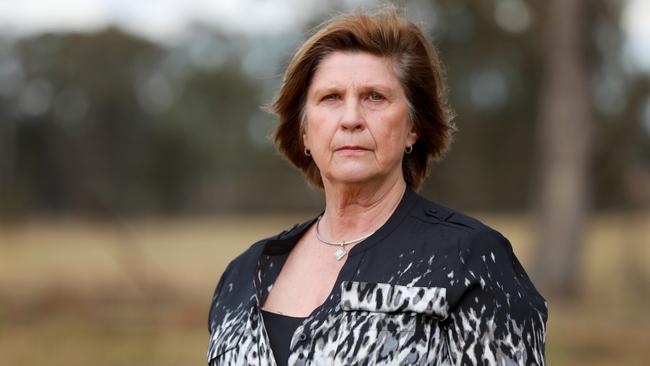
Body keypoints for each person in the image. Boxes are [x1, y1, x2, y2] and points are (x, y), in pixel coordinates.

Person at [207, 9, 547, 366]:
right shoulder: (242, 276)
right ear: (304, 132)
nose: (351, 119)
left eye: (375, 97)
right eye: (331, 98)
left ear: (413, 127)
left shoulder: (470, 260)